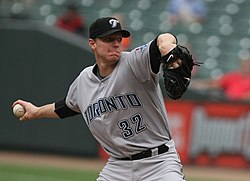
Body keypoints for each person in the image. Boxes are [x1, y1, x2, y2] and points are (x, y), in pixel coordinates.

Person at [13, 17, 187, 181]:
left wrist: (167, 47)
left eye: (119, 39)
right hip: (118, 166)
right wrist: (36, 112)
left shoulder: (134, 62)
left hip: (159, 162)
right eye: (109, 39)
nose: (116, 44)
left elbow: (162, 39)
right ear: (92, 44)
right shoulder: (84, 80)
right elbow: (65, 107)